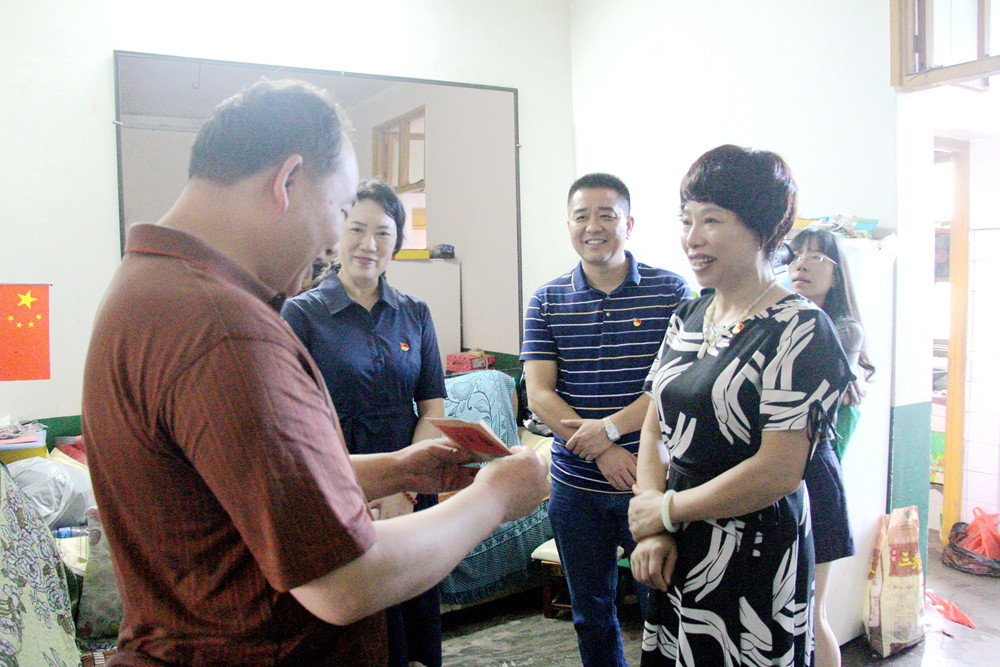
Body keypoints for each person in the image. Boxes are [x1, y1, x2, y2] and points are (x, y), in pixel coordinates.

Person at [81, 79, 550, 666]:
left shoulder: (148, 286)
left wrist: (395, 469)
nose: (335, 242)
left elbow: (248, 483)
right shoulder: (227, 329)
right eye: (342, 211)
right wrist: (493, 499)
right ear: (287, 181)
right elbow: (344, 582)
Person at [627, 145, 853, 666]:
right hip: (680, 541)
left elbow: (778, 471)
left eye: (711, 219)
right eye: (686, 219)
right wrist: (655, 524)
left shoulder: (801, 328)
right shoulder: (689, 314)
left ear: (761, 228)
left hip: (753, 549)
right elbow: (655, 423)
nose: (692, 237)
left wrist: (666, 510)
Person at [521, 173, 691, 667]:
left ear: (628, 224)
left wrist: (611, 430)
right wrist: (603, 449)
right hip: (575, 489)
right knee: (591, 613)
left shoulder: (670, 291)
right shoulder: (547, 299)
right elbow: (539, 393)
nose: (592, 226)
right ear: (569, 225)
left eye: (606, 215)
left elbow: (671, 386)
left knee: (666, 607)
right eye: (581, 216)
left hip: (651, 484)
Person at [281, 179, 447, 667]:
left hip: (413, 487)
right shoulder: (302, 313)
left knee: (413, 617)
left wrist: (405, 483)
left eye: (383, 232)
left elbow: (432, 408)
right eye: (356, 229)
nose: (368, 244)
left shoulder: (415, 313)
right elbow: (295, 422)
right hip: (339, 482)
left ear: (397, 242)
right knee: (359, 626)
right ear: (337, 233)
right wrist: (374, 485)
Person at [789, 227, 875, 667]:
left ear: (837, 273)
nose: (800, 263)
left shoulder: (842, 328)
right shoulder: (785, 316)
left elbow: (804, 390)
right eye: (795, 255)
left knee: (809, 611)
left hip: (815, 477)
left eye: (815, 256)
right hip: (784, 475)